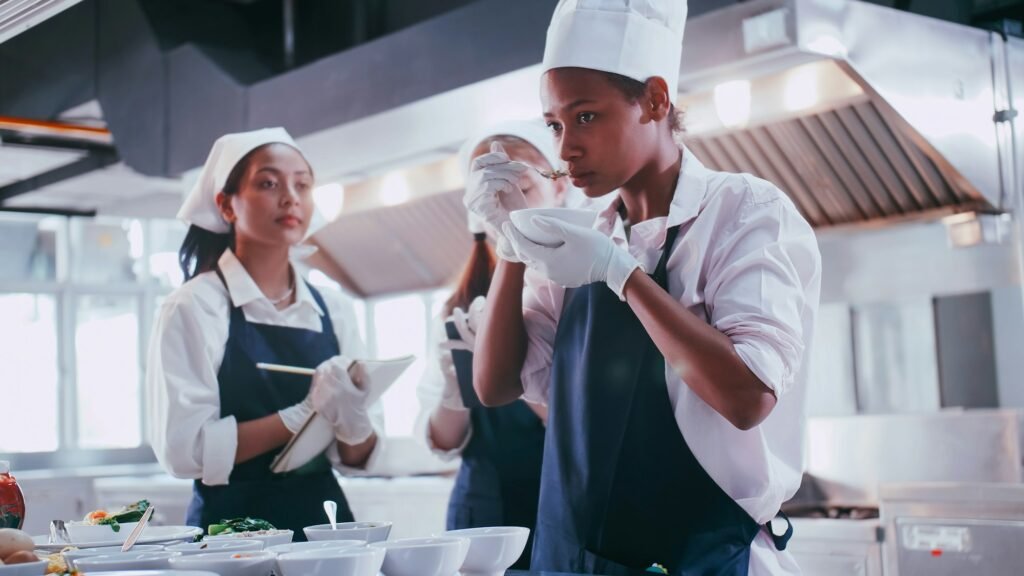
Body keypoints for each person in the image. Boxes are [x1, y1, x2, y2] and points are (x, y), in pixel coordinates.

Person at [464, 1, 822, 574]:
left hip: (696, 560)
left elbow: (749, 396)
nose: (565, 149)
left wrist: (622, 274)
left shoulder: (743, 212)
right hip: (572, 559)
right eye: (556, 125)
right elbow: (496, 385)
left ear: (655, 100)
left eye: (586, 117)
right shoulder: (588, 234)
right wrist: (509, 241)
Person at [146, 127, 384, 539]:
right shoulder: (194, 306)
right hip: (230, 533)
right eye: (269, 183)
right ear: (226, 204)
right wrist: (303, 414)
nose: (290, 196)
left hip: (325, 529)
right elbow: (186, 450)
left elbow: (356, 459)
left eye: (302, 184)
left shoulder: (336, 309)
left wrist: (354, 420)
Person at [417, 120, 569, 570]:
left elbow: (594, 426)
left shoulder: (577, 287)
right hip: (480, 509)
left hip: (561, 498)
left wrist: (519, 375)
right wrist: (454, 389)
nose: (510, 207)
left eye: (523, 187)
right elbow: (444, 442)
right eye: (494, 195)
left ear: (560, 190)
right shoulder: (459, 304)